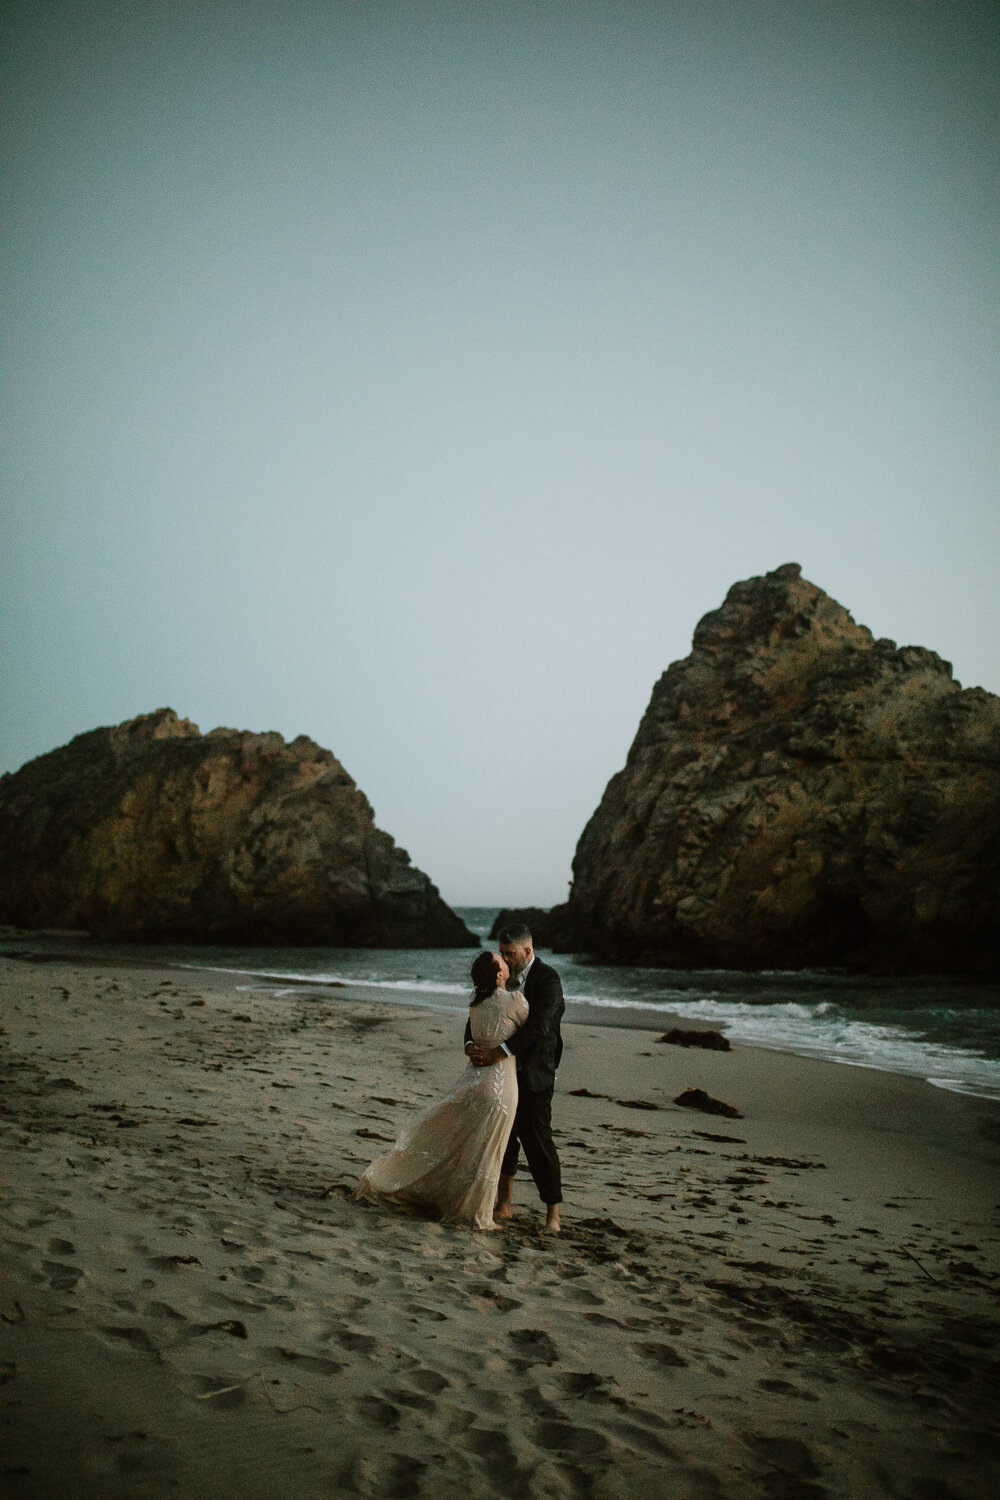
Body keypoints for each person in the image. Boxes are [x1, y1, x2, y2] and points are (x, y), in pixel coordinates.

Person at [354, 951, 527, 1231]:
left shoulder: (475, 1002)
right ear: (498, 975)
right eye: (503, 962)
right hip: (501, 1083)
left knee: (468, 1148)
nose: (507, 964)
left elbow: (476, 1032)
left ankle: (457, 1201)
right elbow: (532, 1030)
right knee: (488, 1151)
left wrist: (472, 1045)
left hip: (474, 1080)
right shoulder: (514, 1001)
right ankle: (478, 1211)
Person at [465, 922, 564, 1232]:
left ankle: (553, 1213)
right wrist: (471, 1044)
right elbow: (477, 1012)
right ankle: (504, 1205)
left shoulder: (547, 979)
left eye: (510, 954)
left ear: (527, 951)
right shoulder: (499, 979)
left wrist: (499, 1051)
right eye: (502, 954)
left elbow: (539, 1027)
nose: (505, 960)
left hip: (535, 1072)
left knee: (538, 1140)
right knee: (504, 1139)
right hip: (502, 1077)